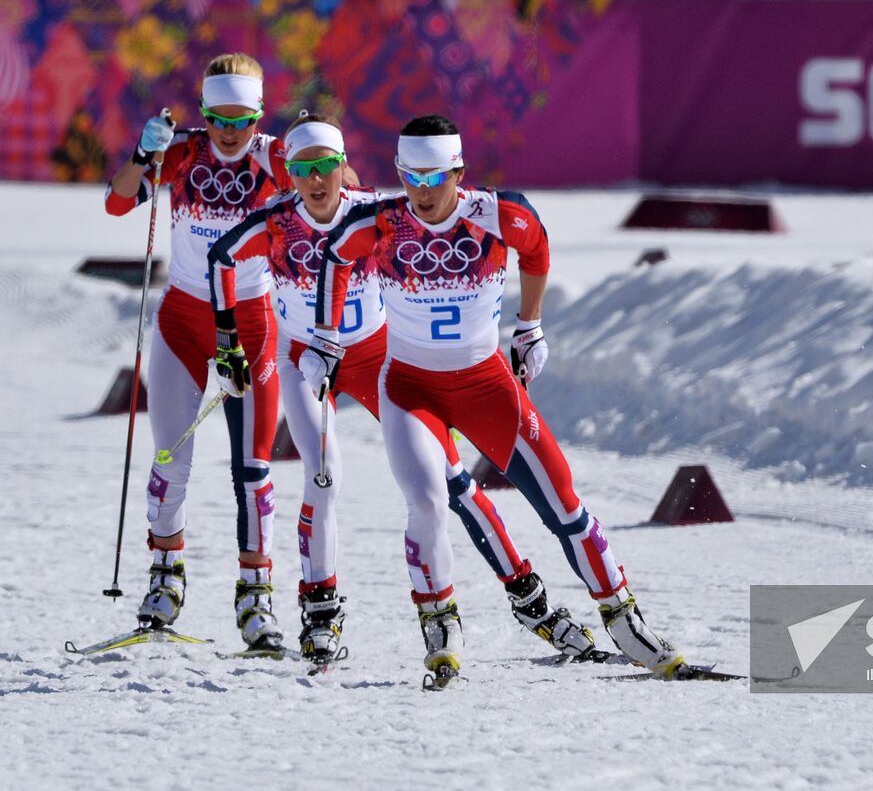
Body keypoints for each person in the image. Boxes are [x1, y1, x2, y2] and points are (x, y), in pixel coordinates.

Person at [307, 114, 685, 679]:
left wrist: (529, 325)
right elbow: (335, 256)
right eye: (411, 177)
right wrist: (325, 339)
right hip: (410, 389)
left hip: (486, 385)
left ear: (458, 171)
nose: (424, 191)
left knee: (565, 507)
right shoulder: (381, 223)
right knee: (430, 501)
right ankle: (440, 625)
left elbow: (537, 249)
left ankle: (624, 619)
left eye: (437, 177)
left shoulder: (497, 212)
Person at [207, 113, 594, 663]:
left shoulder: (372, 212)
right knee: (324, 476)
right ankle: (319, 614)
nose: (315, 181)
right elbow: (221, 257)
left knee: (452, 481)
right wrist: (229, 345)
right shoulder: (276, 220)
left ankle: (529, 598)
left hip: (375, 355)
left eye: (325, 167)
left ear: (344, 168)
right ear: (287, 172)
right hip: (304, 359)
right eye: (301, 169)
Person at [105, 53, 294, 651]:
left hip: (254, 321)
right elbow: (117, 203)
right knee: (170, 458)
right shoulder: (182, 150)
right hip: (185, 321)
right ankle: (165, 578)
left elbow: (330, 205)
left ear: (259, 114)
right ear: (204, 112)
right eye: (217, 118)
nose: (229, 131)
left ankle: (256, 598)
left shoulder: (276, 158)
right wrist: (143, 155)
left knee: (254, 470)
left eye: (241, 118)